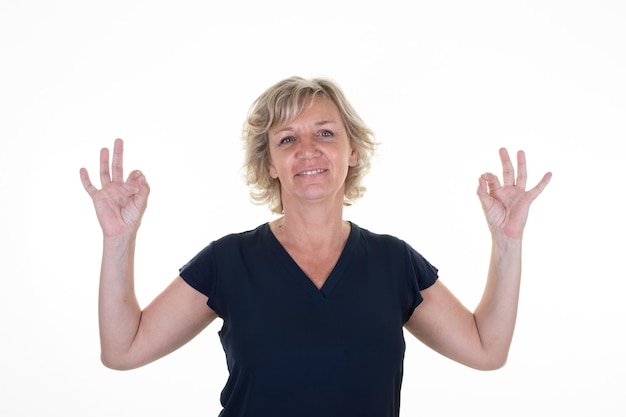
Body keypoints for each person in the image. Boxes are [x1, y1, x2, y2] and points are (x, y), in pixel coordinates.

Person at [79, 76, 552, 417]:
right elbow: (123, 350)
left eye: (325, 132)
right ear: (270, 164)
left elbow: (488, 350)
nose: (308, 148)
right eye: (288, 138)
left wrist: (507, 242)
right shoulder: (228, 262)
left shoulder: (394, 263)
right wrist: (119, 240)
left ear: (352, 152)